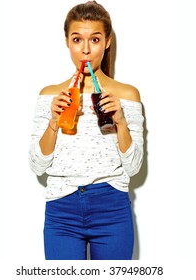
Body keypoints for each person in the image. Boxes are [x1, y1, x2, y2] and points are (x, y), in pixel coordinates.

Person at [29, 0, 144, 260]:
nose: (86, 50)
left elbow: (134, 167)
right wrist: (53, 121)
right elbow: (37, 166)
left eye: (94, 40)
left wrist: (122, 122)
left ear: (107, 41)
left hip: (111, 206)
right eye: (77, 39)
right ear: (67, 42)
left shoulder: (127, 95)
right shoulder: (49, 95)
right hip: (62, 208)